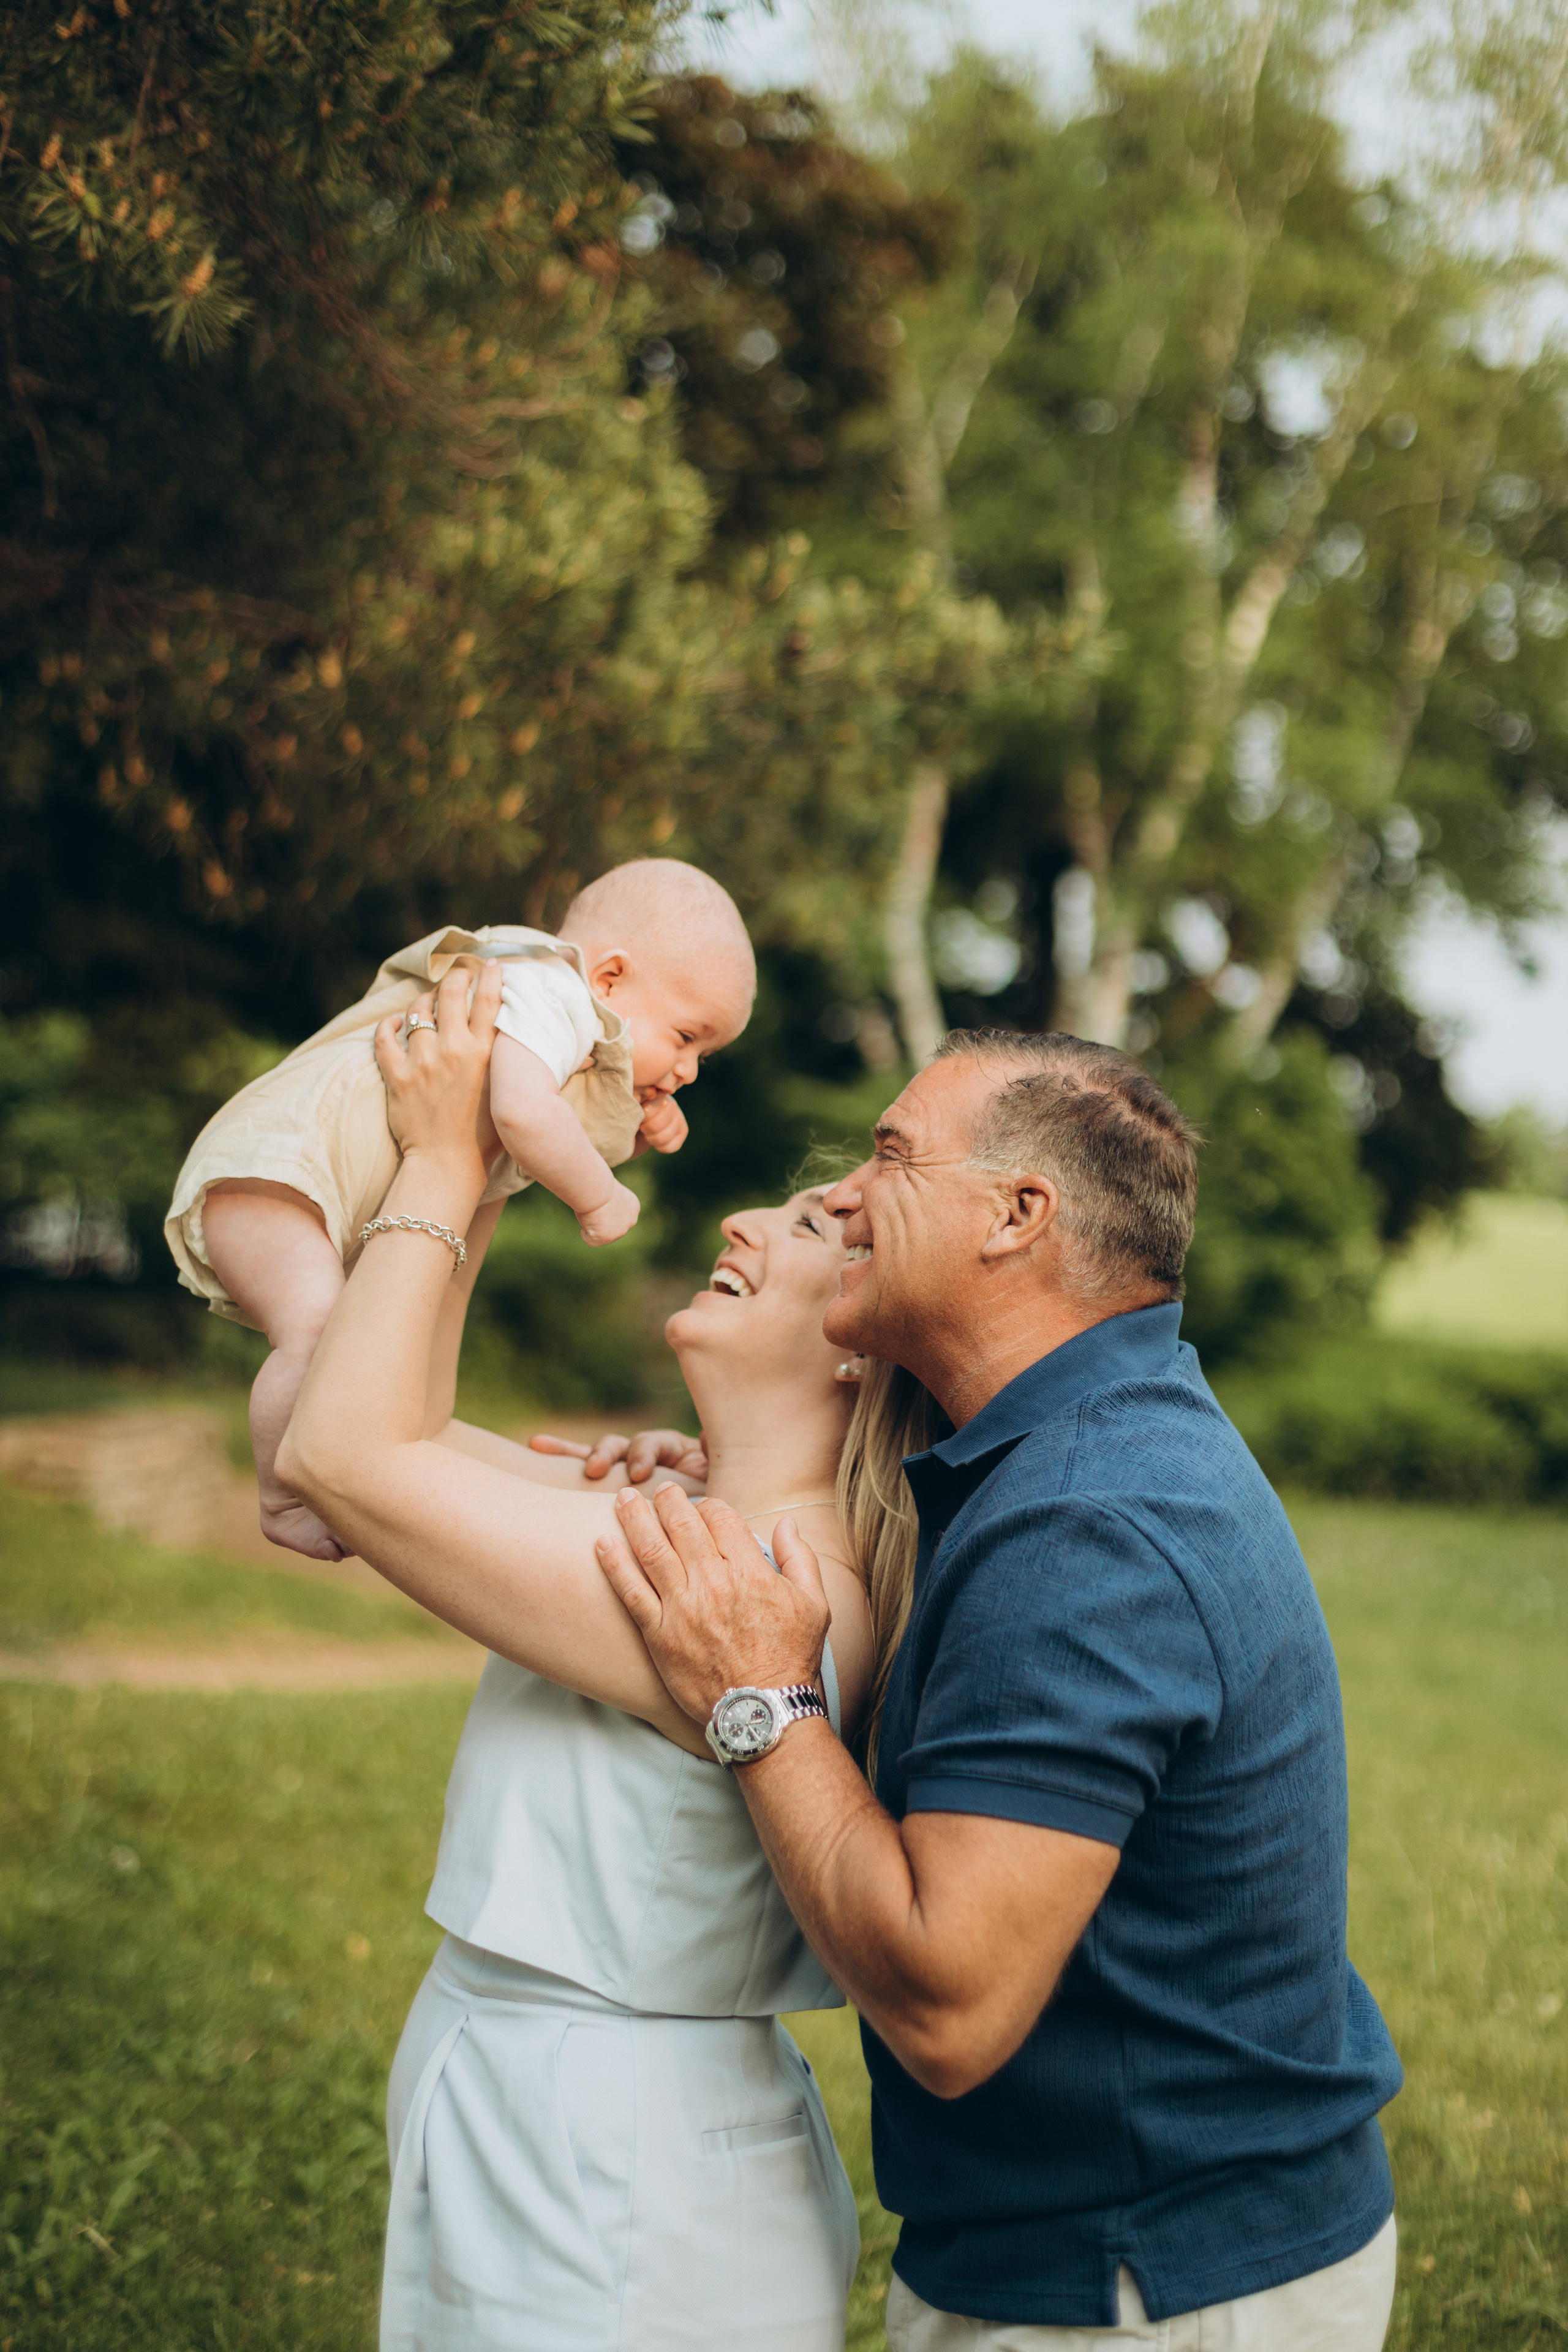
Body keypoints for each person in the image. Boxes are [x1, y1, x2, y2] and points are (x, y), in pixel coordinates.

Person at [597, 1028, 1406, 2352]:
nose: (845, 1195)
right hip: (1137, 2253)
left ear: (1014, 1216)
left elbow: (948, 2004)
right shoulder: (1078, 1453)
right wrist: (717, 1472)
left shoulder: (1087, 1527)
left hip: (1141, 2288)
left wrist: (758, 1696)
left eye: (889, 1154)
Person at [276, 957, 883, 2351]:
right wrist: (495, 1136)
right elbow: (324, 1455)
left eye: (803, 1224)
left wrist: (443, 1154)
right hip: (540, 2100)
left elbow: (342, 1455)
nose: (739, 1216)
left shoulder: (758, 1578)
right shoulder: (691, 1519)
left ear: (859, 1350)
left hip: (618, 2167)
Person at [167, 858, 755, 1559]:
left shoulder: (544, 1013)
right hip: (276, 1174)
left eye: (704, 1055)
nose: (688, 1070)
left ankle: (304, 1481)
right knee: (322, 1335)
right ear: (608, 978)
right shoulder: (549, 992)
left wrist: (631, 1129)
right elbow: (520, 1116)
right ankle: (283, 1494)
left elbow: (524, 1128)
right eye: (687, 1038)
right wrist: (602, 1195)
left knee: (336, 1339)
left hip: (288, 1183)